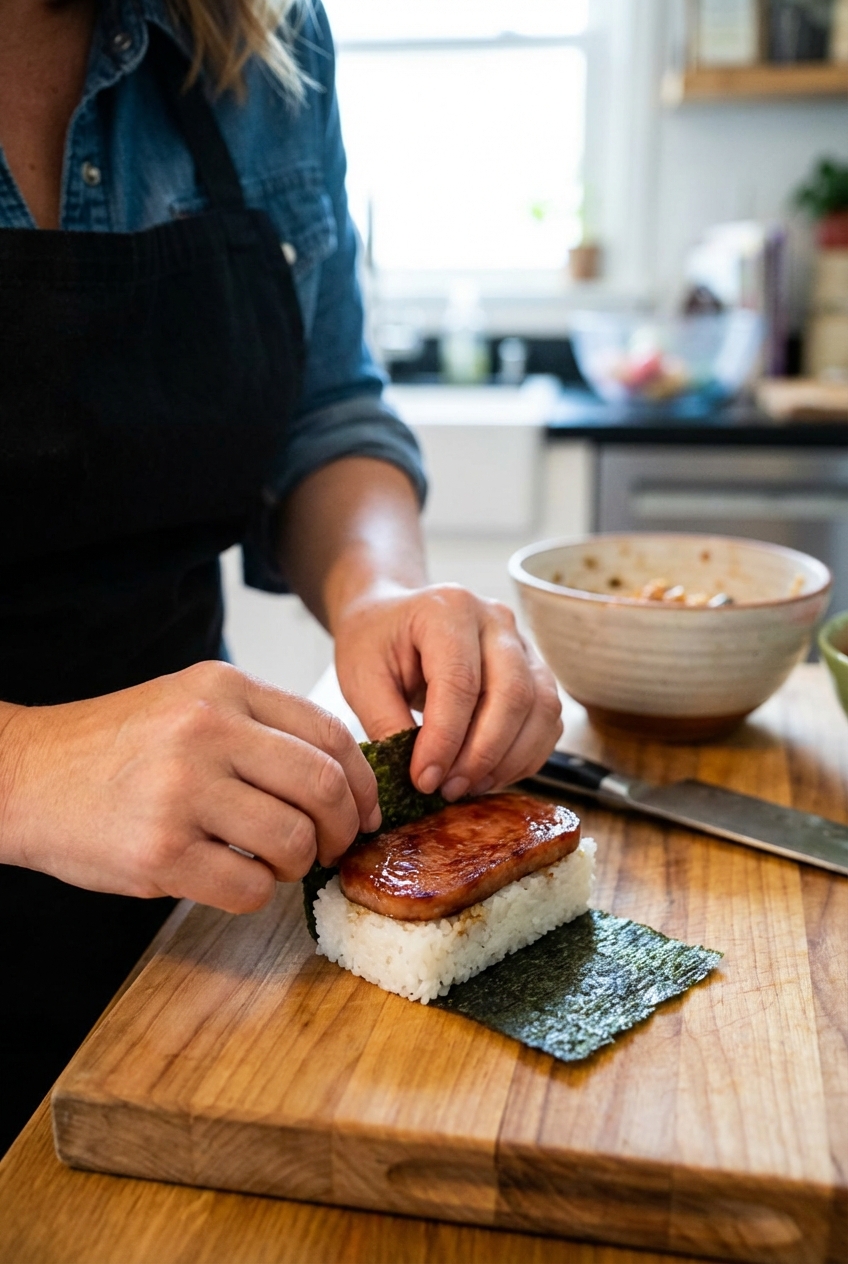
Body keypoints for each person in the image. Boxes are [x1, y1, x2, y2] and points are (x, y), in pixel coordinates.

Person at [0, 0, 563, 1153]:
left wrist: (376, 589)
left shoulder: (261, 35)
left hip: (185, 912)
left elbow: (324, 406)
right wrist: (24, 770)